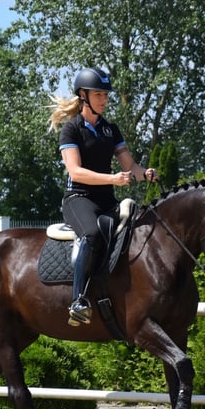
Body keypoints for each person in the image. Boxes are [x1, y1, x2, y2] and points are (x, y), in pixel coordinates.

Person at [49, 67, 157, 327]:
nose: (105, 99)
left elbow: (130, 165)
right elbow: (75, 172)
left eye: (106, 95)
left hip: (107, 201)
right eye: (99, 94)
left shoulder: (111, 129)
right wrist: (112, 179)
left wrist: (145, 174)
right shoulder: (71, 130)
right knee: (92, 235)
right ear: (83, 96)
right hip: (79, 199)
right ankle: (78, 300)